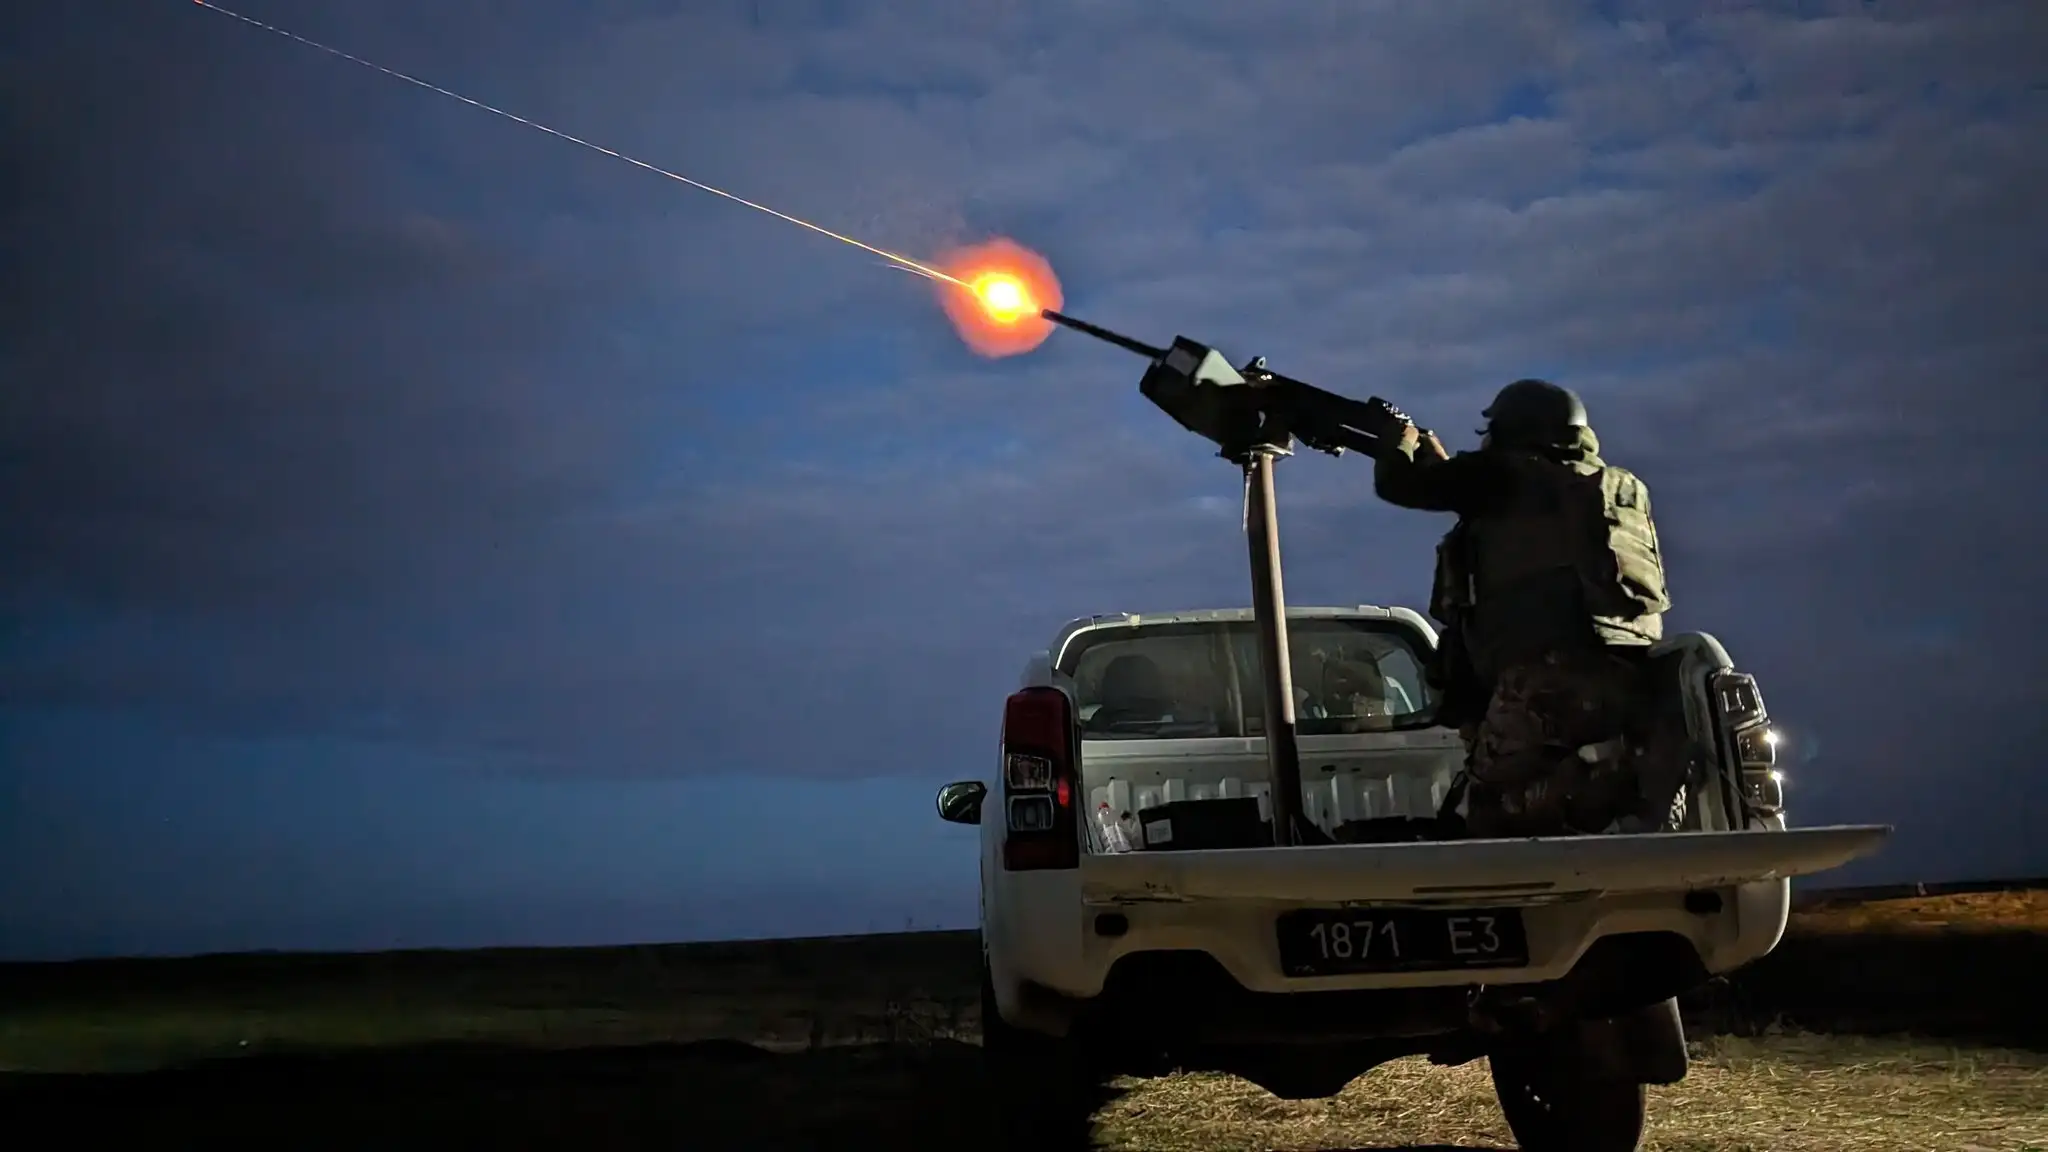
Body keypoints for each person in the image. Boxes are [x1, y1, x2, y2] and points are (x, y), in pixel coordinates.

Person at [1371, 379, 1674, 837]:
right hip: (1623, 672)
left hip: (1541, 678)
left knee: (1496, 814)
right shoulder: (1608, 486)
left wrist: (1397, 440)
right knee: (1568, 793)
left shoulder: (1506, 473)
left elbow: (1402, 484)